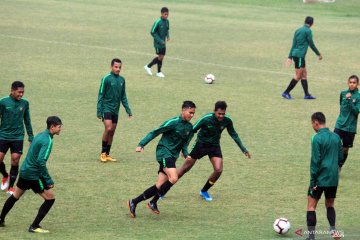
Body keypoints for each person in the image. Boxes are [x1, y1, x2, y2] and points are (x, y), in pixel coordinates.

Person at [127, 101, 196, 218]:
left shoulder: (190, 128)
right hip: (163, 152)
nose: (192, 115)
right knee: (174, 177)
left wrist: (185, 153)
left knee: (159, 185)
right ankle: (153, 202)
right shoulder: (173, 122)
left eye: (193, 113)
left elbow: (184, 143)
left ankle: (134, 202)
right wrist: (141, 144)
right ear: (183, 110)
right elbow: (155, 132)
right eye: (190, 112)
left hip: (172, 157)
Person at [175, 101, 251, 202]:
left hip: (214, 146)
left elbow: (234, 134)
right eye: (219, 113)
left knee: (218, 170)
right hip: (200, 145)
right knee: (185, 168)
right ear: (214, 111)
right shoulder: (206, 119)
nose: (221, 116)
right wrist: (184, 147)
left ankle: (204, 191)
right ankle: (163, 189)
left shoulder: (227, 120)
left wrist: (243, 149)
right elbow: (192, 130)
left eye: (223, 114)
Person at [0, 116, 62, 233]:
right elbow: (40, 161)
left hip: (24, 170)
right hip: (33, 175)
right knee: (50, 199)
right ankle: (34, 226)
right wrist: (48, 180)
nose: (60, 129)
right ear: (52, 127)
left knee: (15, 196)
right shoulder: (47, 140)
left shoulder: (40, 135)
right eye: (59, 127)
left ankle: (0, 219)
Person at [306, 112, 343, 240]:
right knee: (330, 204)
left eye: (312, 123)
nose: (312, 126)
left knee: (311, 206)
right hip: (333, 179)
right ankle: (333, 231)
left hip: (320, 178)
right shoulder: (336, 137)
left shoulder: (316, 138)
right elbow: (340, 158)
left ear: (316, 122)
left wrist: (313, 182)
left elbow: (315, 161)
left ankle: (311, 237)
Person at [0, 81, 34, 196]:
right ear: (12, 91)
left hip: (18, 136)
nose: (21, 94)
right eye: (19, 92)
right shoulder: (3, 102)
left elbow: (27, 120)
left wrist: (31, 136)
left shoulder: (25, 103)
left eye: (23, 92)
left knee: (15, 159)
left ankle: (10, 187)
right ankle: (5, 175)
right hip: (3, 135)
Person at [97, 58, 132, 162]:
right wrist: (99, 110)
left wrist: (128, 110)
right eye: (116, 67)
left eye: (119, 67)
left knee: (112, 132)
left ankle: (107, 154)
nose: (118, 69)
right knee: (108, 128)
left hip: (115, 110)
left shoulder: (122, 80)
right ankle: (102, 153)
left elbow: (123, 96)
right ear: (111, 67)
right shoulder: (106, 79)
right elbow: (101, 94)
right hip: (106, 108)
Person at [282, 16, 323, 100]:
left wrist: (289, 57)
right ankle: (286, 92)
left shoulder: (297, 30)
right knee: (298, 75)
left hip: (296, 55)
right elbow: (311, 44)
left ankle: (307, 94)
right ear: (312, 24)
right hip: (300, 56)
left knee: (304, 74)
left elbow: (293, 44)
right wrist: (318, 54)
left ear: (304, 21)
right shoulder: (308, 31)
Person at [334, 75, 360, 172]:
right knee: (333, 143)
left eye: (354, 82)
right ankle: (331, 164)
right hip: (339, 124)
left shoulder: (359, 96)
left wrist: (349, 101)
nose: (352, 84)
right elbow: (341, 104)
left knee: (345, 149)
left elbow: (356, 111)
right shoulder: (343, 93)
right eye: (350, 82)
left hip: (350, 128)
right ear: (348, 83)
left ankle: (339, 166)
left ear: (358, 84)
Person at [144, 7, 170, 78]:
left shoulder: (167, 21)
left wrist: (168, 37)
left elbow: (167, 30)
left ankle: (148, 66)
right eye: (165, 14)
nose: (166, 16)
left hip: (163, 43)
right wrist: (160, 40)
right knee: (160, 57)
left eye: (167, 14)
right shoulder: (158, 22)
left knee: (161, 57)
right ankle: (158, 71)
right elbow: (152, 32)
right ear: (161, 14)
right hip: (158, 43)